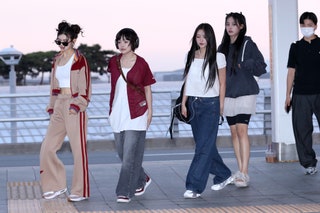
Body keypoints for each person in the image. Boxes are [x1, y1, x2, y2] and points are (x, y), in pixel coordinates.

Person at [39, 21, 91, 202]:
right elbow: (53, 86)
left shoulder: (80, 60)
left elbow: (85, 88)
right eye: (58, 42)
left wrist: (78, 105)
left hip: (74, 105)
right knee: (47, 147)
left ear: (74, 41)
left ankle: (80, 190)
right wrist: (52, 106)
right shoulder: (57, 60)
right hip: (59, 105)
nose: (61, 45)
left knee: (79, 150)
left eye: (64, 42)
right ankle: (56, 185)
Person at [181, 23, 232, 199]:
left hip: (211, 105)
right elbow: (188, 80)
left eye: (204, 36)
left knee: (203, 147)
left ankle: (194, 186)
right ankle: (223, 173)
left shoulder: (219, 57)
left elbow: (223, 83)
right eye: (198, 36)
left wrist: (221, 105)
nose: (201, 40)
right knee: (205, 145)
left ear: (210, 37)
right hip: (193, 105)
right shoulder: (191, 55)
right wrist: (183, 103)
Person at [107, 28, 156, 203]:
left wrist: (150, 111)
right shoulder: (113, 62)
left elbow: (148, 88)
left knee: (129, 156)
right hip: (118, 112)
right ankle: (142, 178)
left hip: (137, 113)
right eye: (119, 41)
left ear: (133, 42)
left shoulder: (142, 63)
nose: (122, 45)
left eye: (125, 41)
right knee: (122, 152)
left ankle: (125, 191)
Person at [218, 12, 266, 188]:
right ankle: (240, 169)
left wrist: (243, 64)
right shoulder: (221, 48)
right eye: (227, 24)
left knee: (242, 131)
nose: (230, 27)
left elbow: (261, 67)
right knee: (233, 132)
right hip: (228, 94)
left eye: (234, 24)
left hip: (246, 93)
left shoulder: (248, 43)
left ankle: (245, 173)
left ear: (241, 26)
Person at [285, 11, 320, 175]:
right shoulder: (295, 47)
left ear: (315, 26)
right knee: (302, 130)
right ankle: (308, 163)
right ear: (300, 27)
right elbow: (291, 72)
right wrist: (287, 96)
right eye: (303, 25)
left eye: (309, 25)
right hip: (300, 94)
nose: (306, 28)